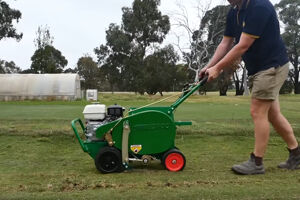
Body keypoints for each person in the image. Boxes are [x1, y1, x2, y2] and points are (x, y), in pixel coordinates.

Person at [199, 0, 300, 175]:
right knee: (273, 114)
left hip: (271, 66)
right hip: (258, 68)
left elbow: (243, 45)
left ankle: (257, 162)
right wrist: (210, 66)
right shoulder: (234, 11)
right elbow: (226, 43)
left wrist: (218, 68)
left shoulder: (260, 6)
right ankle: (296, 154)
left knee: (257, 111)